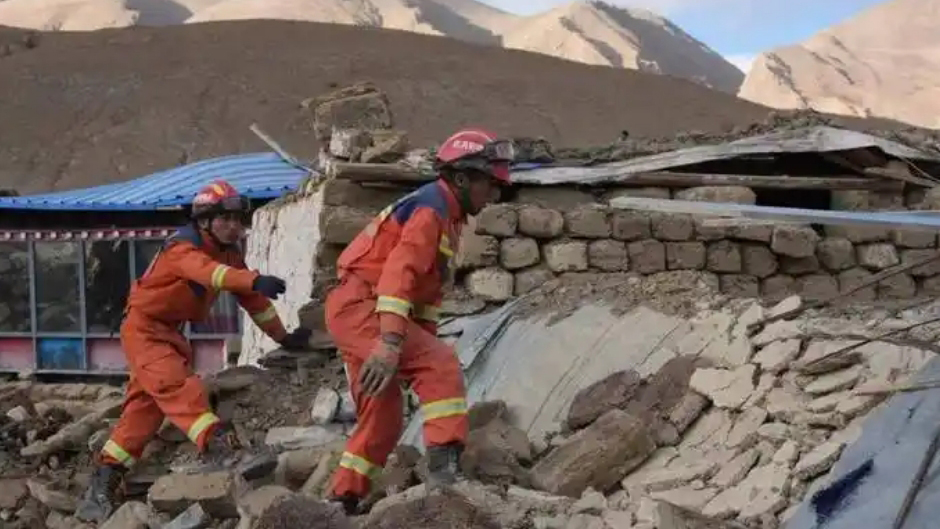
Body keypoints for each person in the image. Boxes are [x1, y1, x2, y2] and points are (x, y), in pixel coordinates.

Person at [76, 180, 310, 523]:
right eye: (225, 218)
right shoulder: (182, 248)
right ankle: (221, 448)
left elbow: (255, 303)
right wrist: (251, 278)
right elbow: (211, 274)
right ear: (204, 220)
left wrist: (284, 337)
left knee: (143, 412)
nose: (234, 226)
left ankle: (101, 485)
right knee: (176, 384)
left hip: (169, 332)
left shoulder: (228, 255)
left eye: (238, 219)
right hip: (144, 330)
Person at [325, 128, 514, 514]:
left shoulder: (447, 215)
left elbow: (424, 294)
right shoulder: (432, 210)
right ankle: (445, 473)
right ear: (461, 178)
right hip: (364, 306)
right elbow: (399, 275)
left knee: (384, 416)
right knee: (440, 364)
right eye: (489, 185)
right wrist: (393, 343)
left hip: (361, 308)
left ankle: (341, 500)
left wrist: (414, 343)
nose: (493, 195)